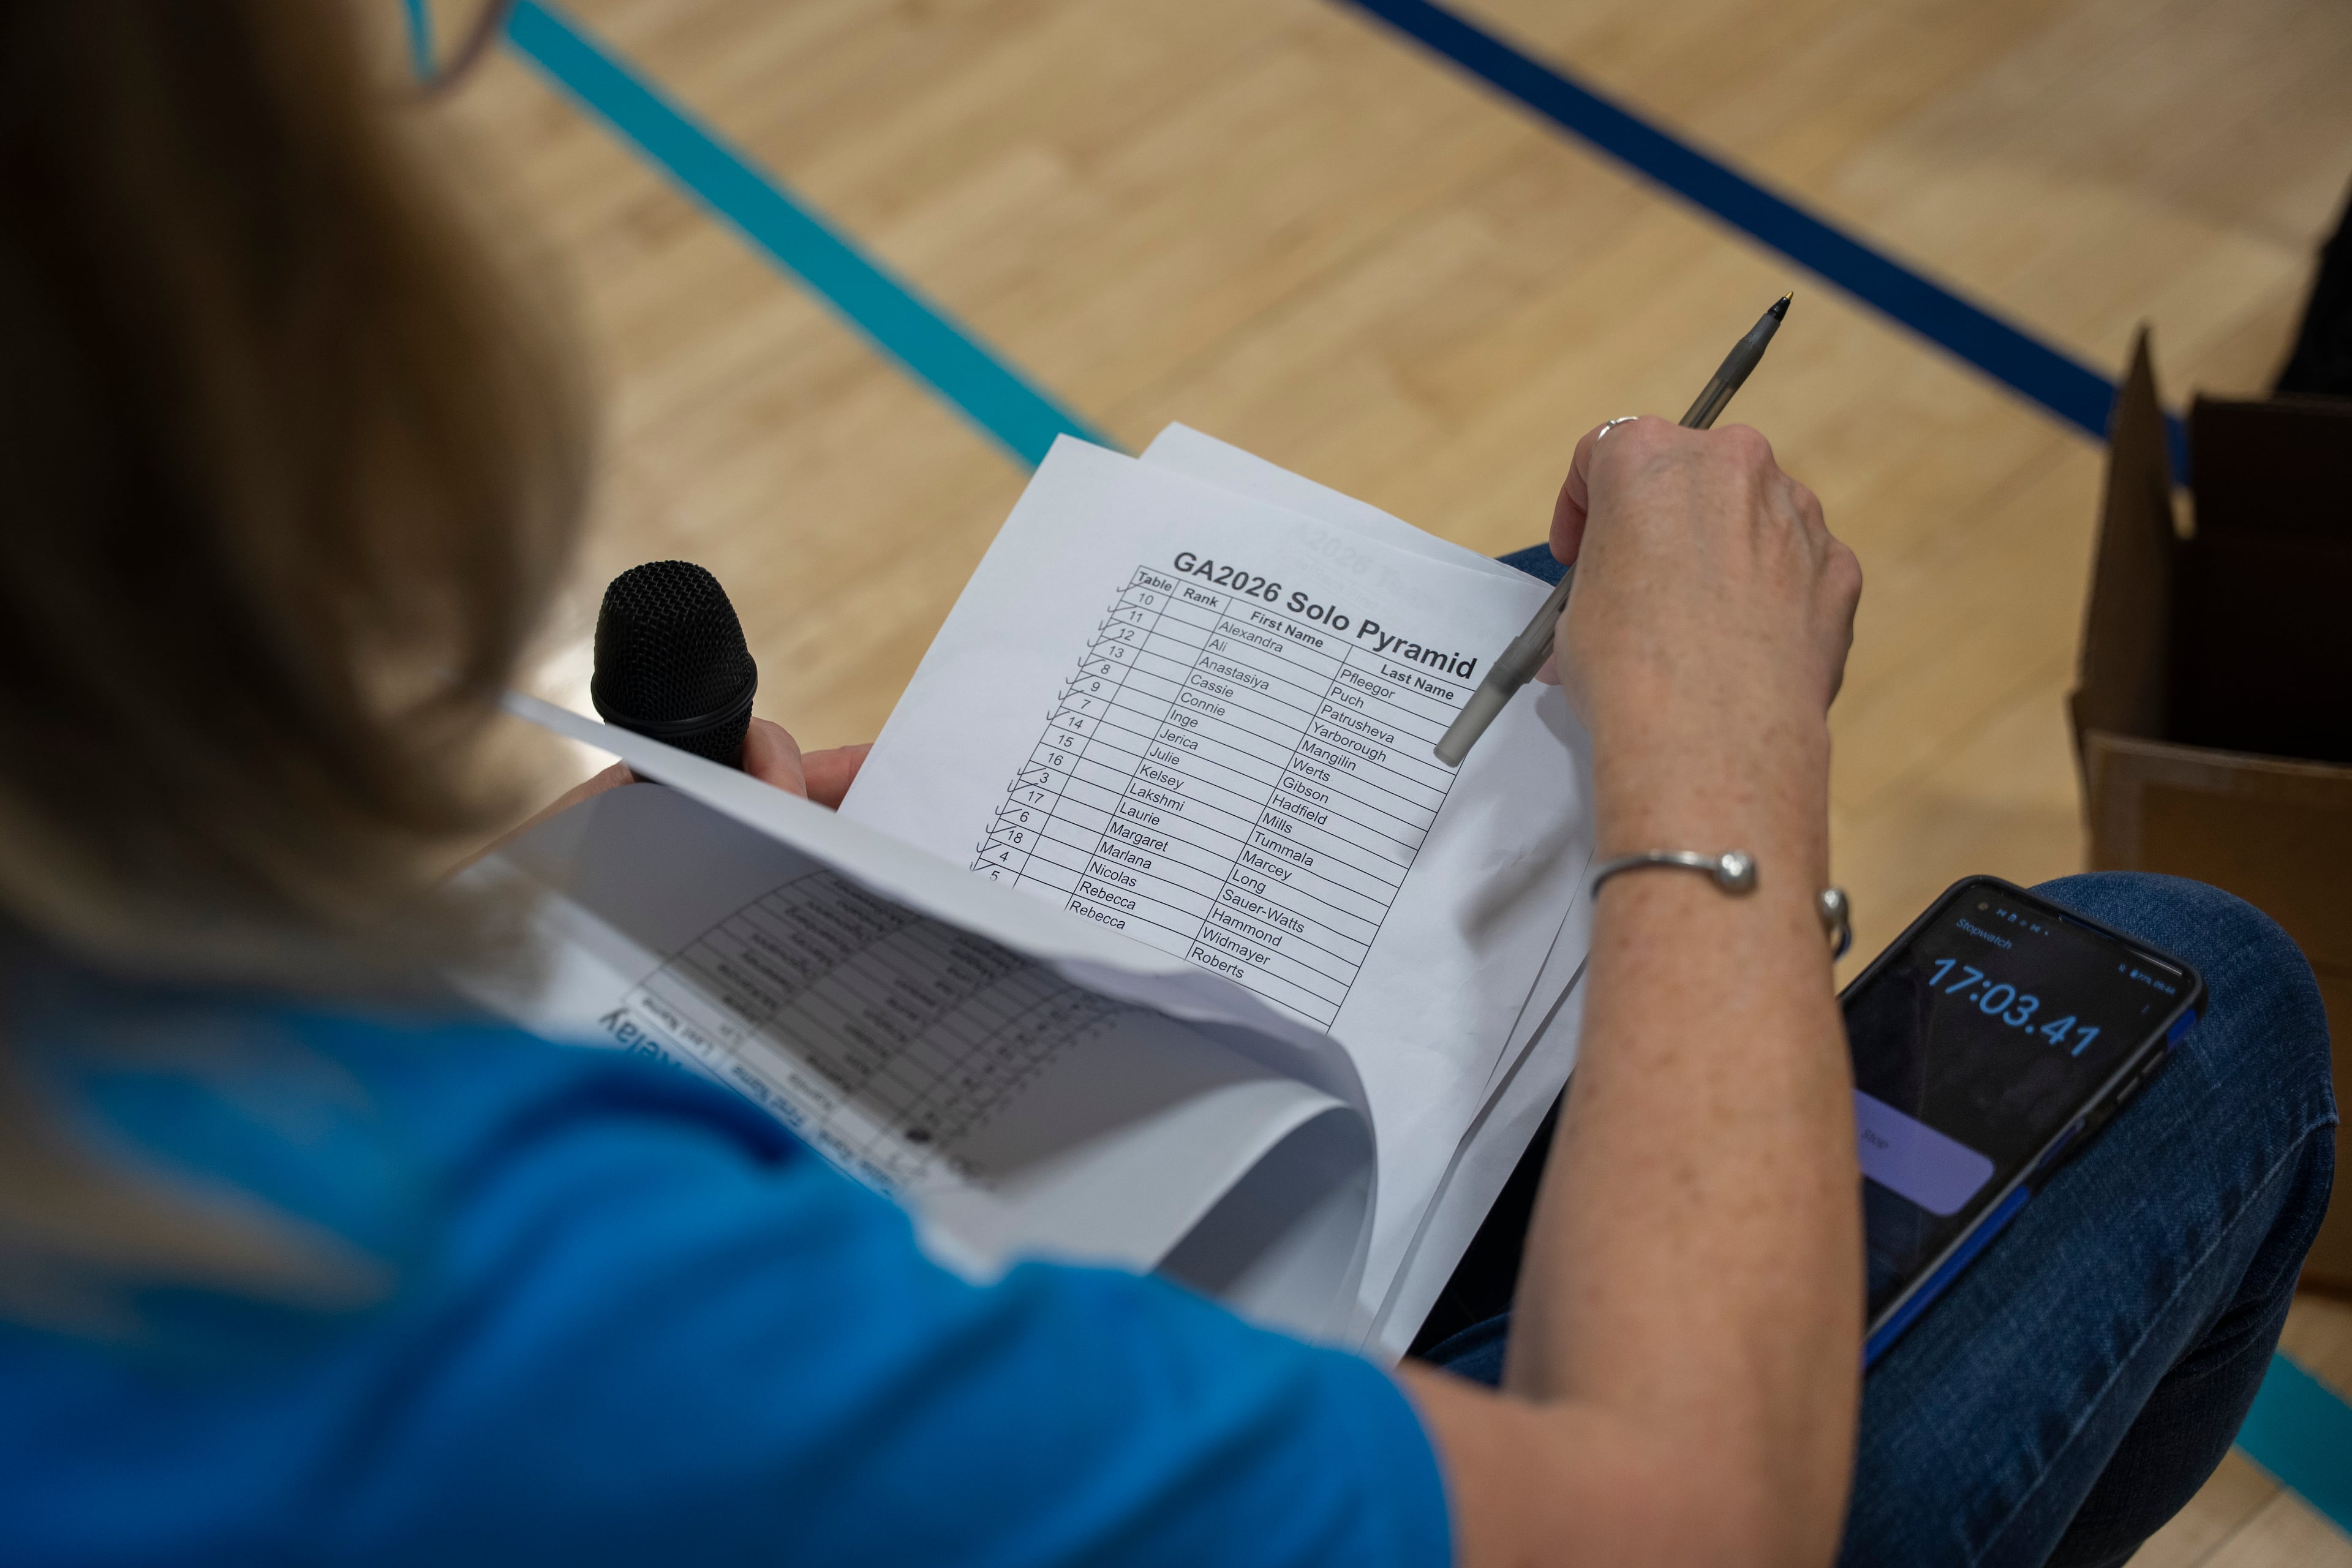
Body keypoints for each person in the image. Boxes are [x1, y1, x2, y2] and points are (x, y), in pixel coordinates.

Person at [0, 6, 2331, 1566]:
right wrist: (1722, 793)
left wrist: (603, 902)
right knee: (2205, 1001)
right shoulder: (477, 1302)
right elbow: (1682, 1519)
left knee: (1523, 621)